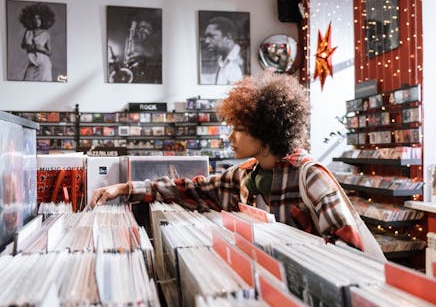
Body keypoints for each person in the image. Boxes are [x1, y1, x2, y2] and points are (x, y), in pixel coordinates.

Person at [90, 72, 385, 260]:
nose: (230, 136)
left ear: (267, 132)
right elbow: (191, 188)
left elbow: (350, 254)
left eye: (239, 128)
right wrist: (128, 188)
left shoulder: (311, 177)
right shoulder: (244, 175)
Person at [19, 3, 55, 81]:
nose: (37, 21)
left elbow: (49, 53)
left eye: (39, 18)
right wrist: (30, 47)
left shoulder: (46, 34)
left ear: (43, 19)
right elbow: (23, 45)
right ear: (31, 20)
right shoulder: (28, 32)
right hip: (32, 62)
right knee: (26, 82)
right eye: (34, 19)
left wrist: (40, 48)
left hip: (44, 63)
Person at [203, 16, 244, 85]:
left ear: (228, 37)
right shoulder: (222, 62)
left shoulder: (242, 61)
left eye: (211, 36)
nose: (206, 41)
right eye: (206, 37)